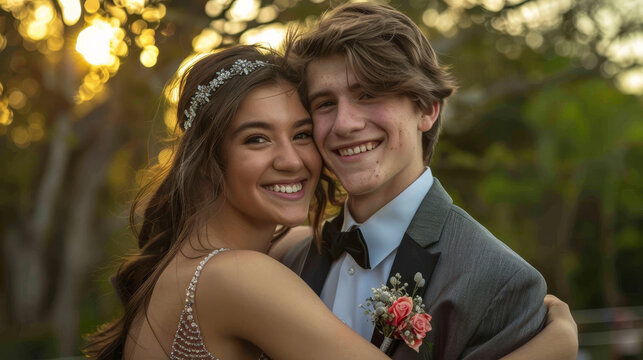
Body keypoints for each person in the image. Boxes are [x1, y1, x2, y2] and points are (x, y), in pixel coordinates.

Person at [83, 46, 576, 360]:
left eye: (301, 133)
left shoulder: (229, 258)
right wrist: (554, 348)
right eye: (256, 139)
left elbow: (324, 240)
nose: (292, 161)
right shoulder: (238, 277)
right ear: (209, 158)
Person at [280, 3, 576, 359]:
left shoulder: (500, 281)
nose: (344, 124)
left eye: (368, 94)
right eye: (325, 103)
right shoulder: (289, 263)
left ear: (427, 108)